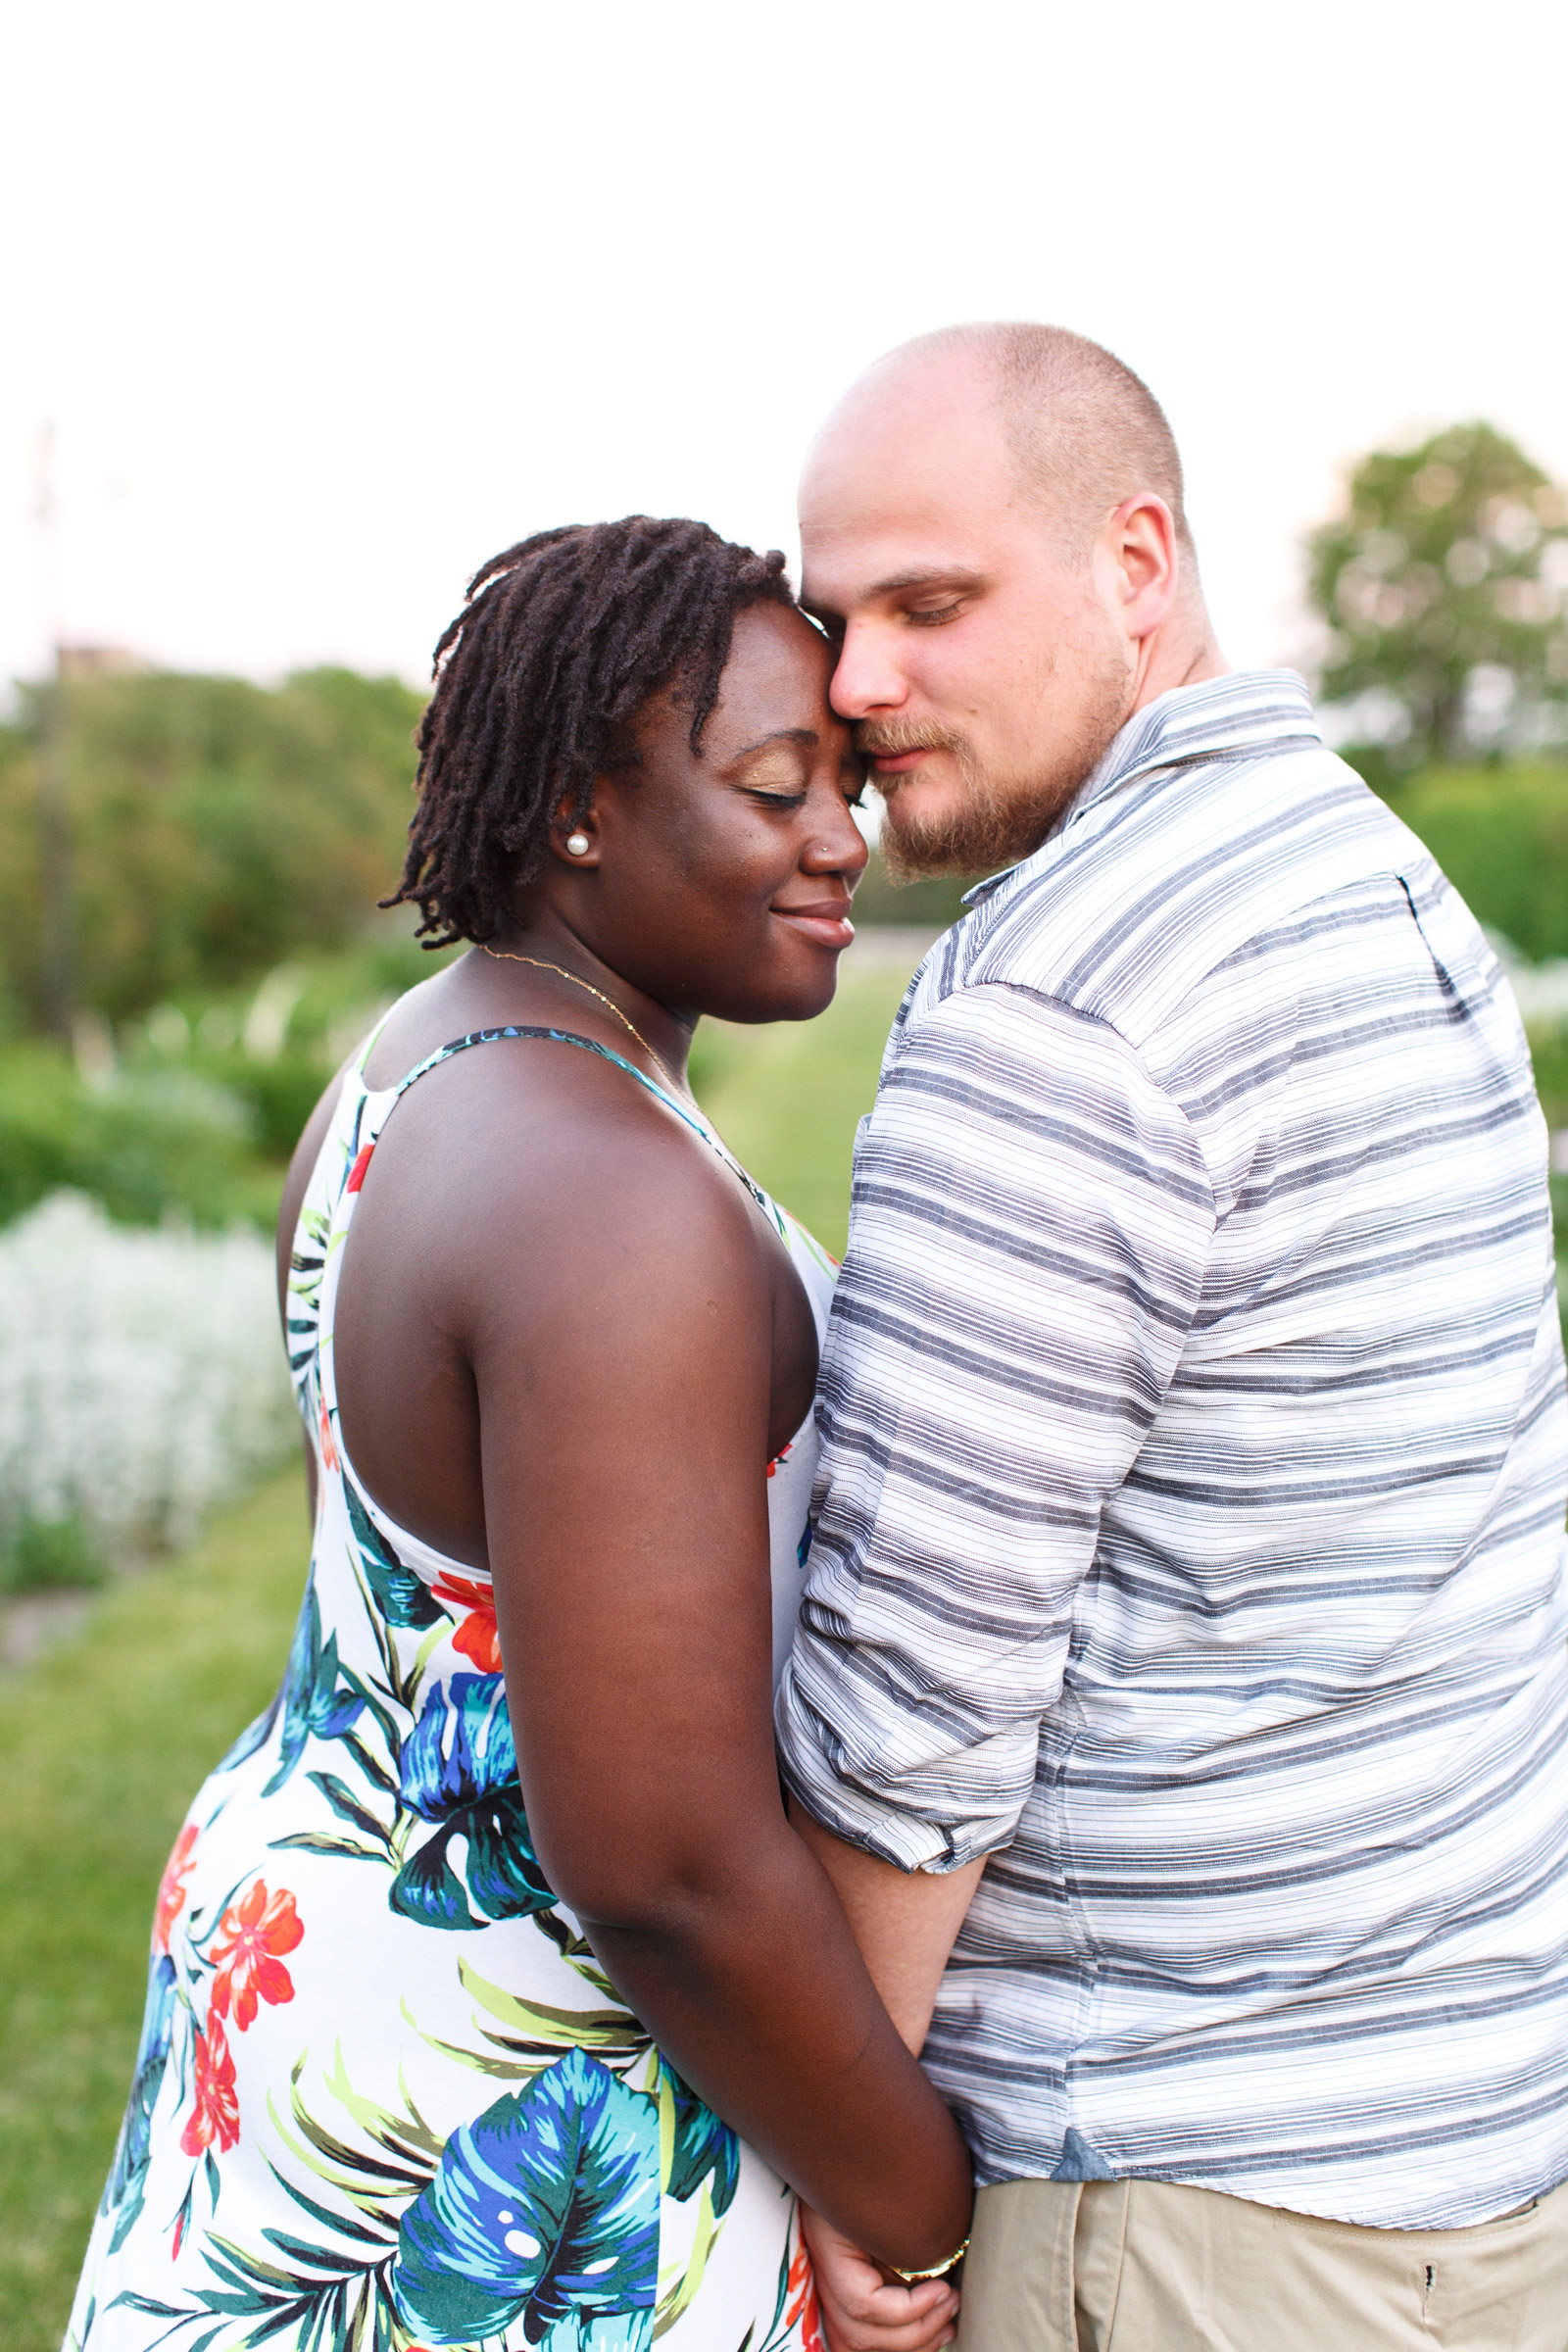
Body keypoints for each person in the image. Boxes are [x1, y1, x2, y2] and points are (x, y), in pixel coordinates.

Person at [69, 516, 973, 2352]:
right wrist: (916, 2198)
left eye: (847, 786)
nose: (838, 842)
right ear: (579, 804)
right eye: (776, 788)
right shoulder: (602, 1201)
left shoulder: (424, 1059)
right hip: (497, 2105)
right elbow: (661, 1859)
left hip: (327, 1976)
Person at [777, 325, 1568, 2350]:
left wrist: (840, 2172)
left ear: (1134, 565)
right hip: (1470, 2165)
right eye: (831, 619)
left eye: (927, 606)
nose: (856, 685)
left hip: (1177, 2199)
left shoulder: (1053, 1003)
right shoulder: (1369, 879)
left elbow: (912, 1716)